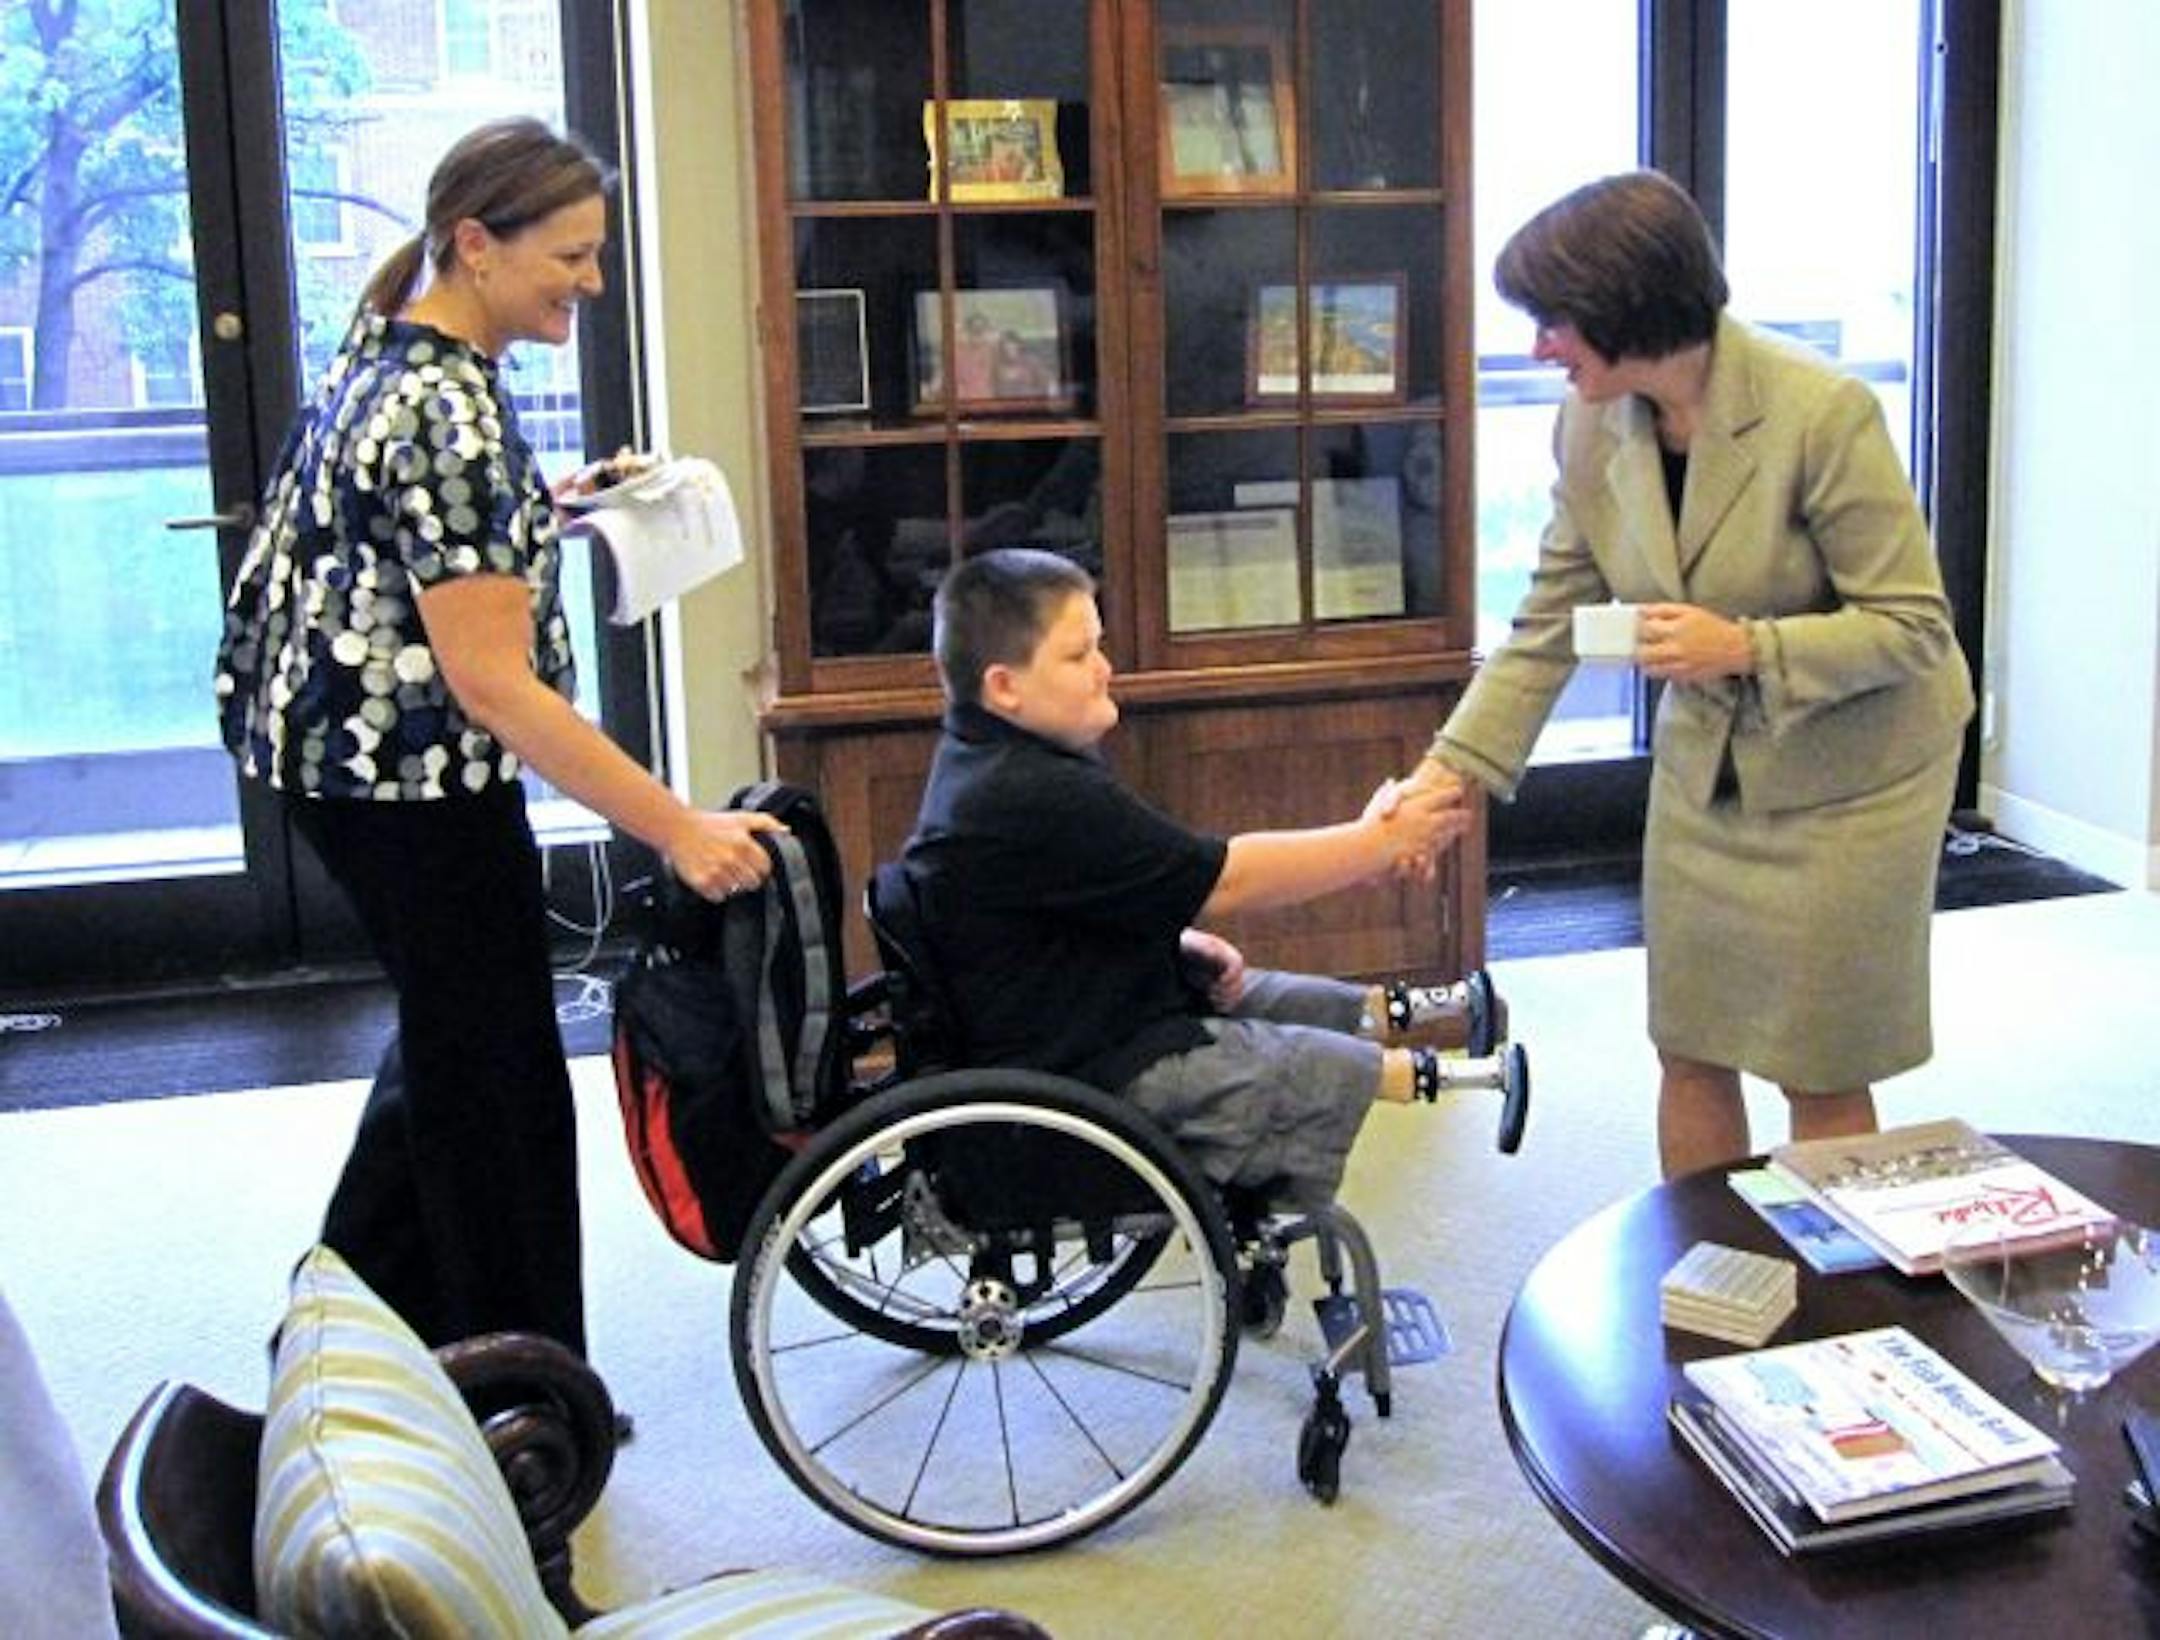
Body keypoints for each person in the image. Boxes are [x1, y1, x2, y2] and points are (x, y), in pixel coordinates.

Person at [214, 118, 780, 1356]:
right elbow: (495, 684)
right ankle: (522, 1384)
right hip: (405, 783)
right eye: (570, 255)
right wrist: (674, 826)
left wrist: (548, 506)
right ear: (476, 242)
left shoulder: (400, 353)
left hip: (342, 761)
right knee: (500, 1087)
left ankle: (343, 1330)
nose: (590, 280)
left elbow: (394, 546)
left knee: (455, 1042)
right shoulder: (448, 416)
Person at [1406, 170, 1973, 1180]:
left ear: (1625, 304)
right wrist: (1450, 773)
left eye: (1553, 320)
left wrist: (1748, 646)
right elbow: (1552, 622)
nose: (1539, 346)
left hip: (1854, 774)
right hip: (1705, 767)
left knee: (1819, 1063)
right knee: (1690, 1042)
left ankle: (1837, 1311)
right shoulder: (1590, 425)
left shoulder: (1821, 413)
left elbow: (1914, 626)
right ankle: (1709, 1273)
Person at [900, 548, 1506, 1213]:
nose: (1105, 670)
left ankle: (1428, 1019)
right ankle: (1453, 1076)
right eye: (1079, 657)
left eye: (1099, 647)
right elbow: (1228, 879)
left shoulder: (986, 762)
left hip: (1076, 1017)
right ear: (1005, 686)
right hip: (1079, 1076)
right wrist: (1380, 842)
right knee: (1299, 1063)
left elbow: (1077, 907)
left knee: (1256, 992)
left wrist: (1179, 936)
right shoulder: (1030, 792)